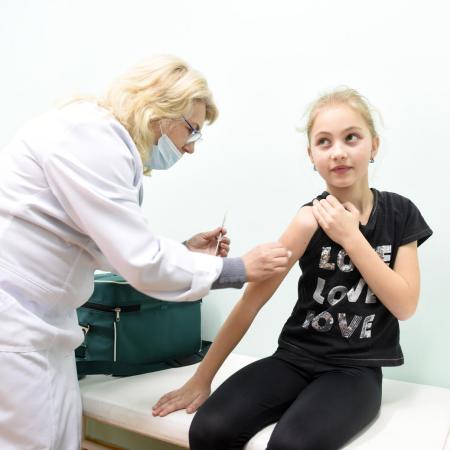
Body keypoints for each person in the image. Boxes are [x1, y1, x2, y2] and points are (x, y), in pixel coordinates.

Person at [0, 55, 290, 450]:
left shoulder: (95, 137)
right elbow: (140, 260)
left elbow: (105, 246)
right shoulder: (92, 138)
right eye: (192, 131)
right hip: (17, 325)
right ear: (159, 109)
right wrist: (238, 268)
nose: (189, 148)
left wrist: (188, 251)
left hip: (40, 325)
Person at [153, 87, 433, 450]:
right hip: (295, 358)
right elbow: (251, 302)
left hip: (355, 370)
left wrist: (352, 238)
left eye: (351, 137)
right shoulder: (306, 221)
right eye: (324, 142)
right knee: (209, 429)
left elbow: (405, 305)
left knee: (292, 445)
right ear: (311, 155)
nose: (339, 152)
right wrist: (202, 377)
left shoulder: (400, 214)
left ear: (374, 145)